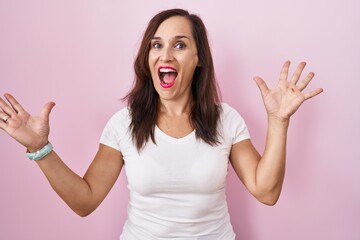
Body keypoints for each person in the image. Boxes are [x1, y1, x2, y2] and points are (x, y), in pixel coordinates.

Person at [0, 8, 323, 240]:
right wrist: (39, 148)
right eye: (157, 45)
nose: (165, 54)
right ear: (147, 57)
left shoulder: (226, 119)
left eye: (180, 45)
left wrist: (278, 121)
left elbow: (266, 192)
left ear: (199, 60)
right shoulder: (124, 123)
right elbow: (85, 202)